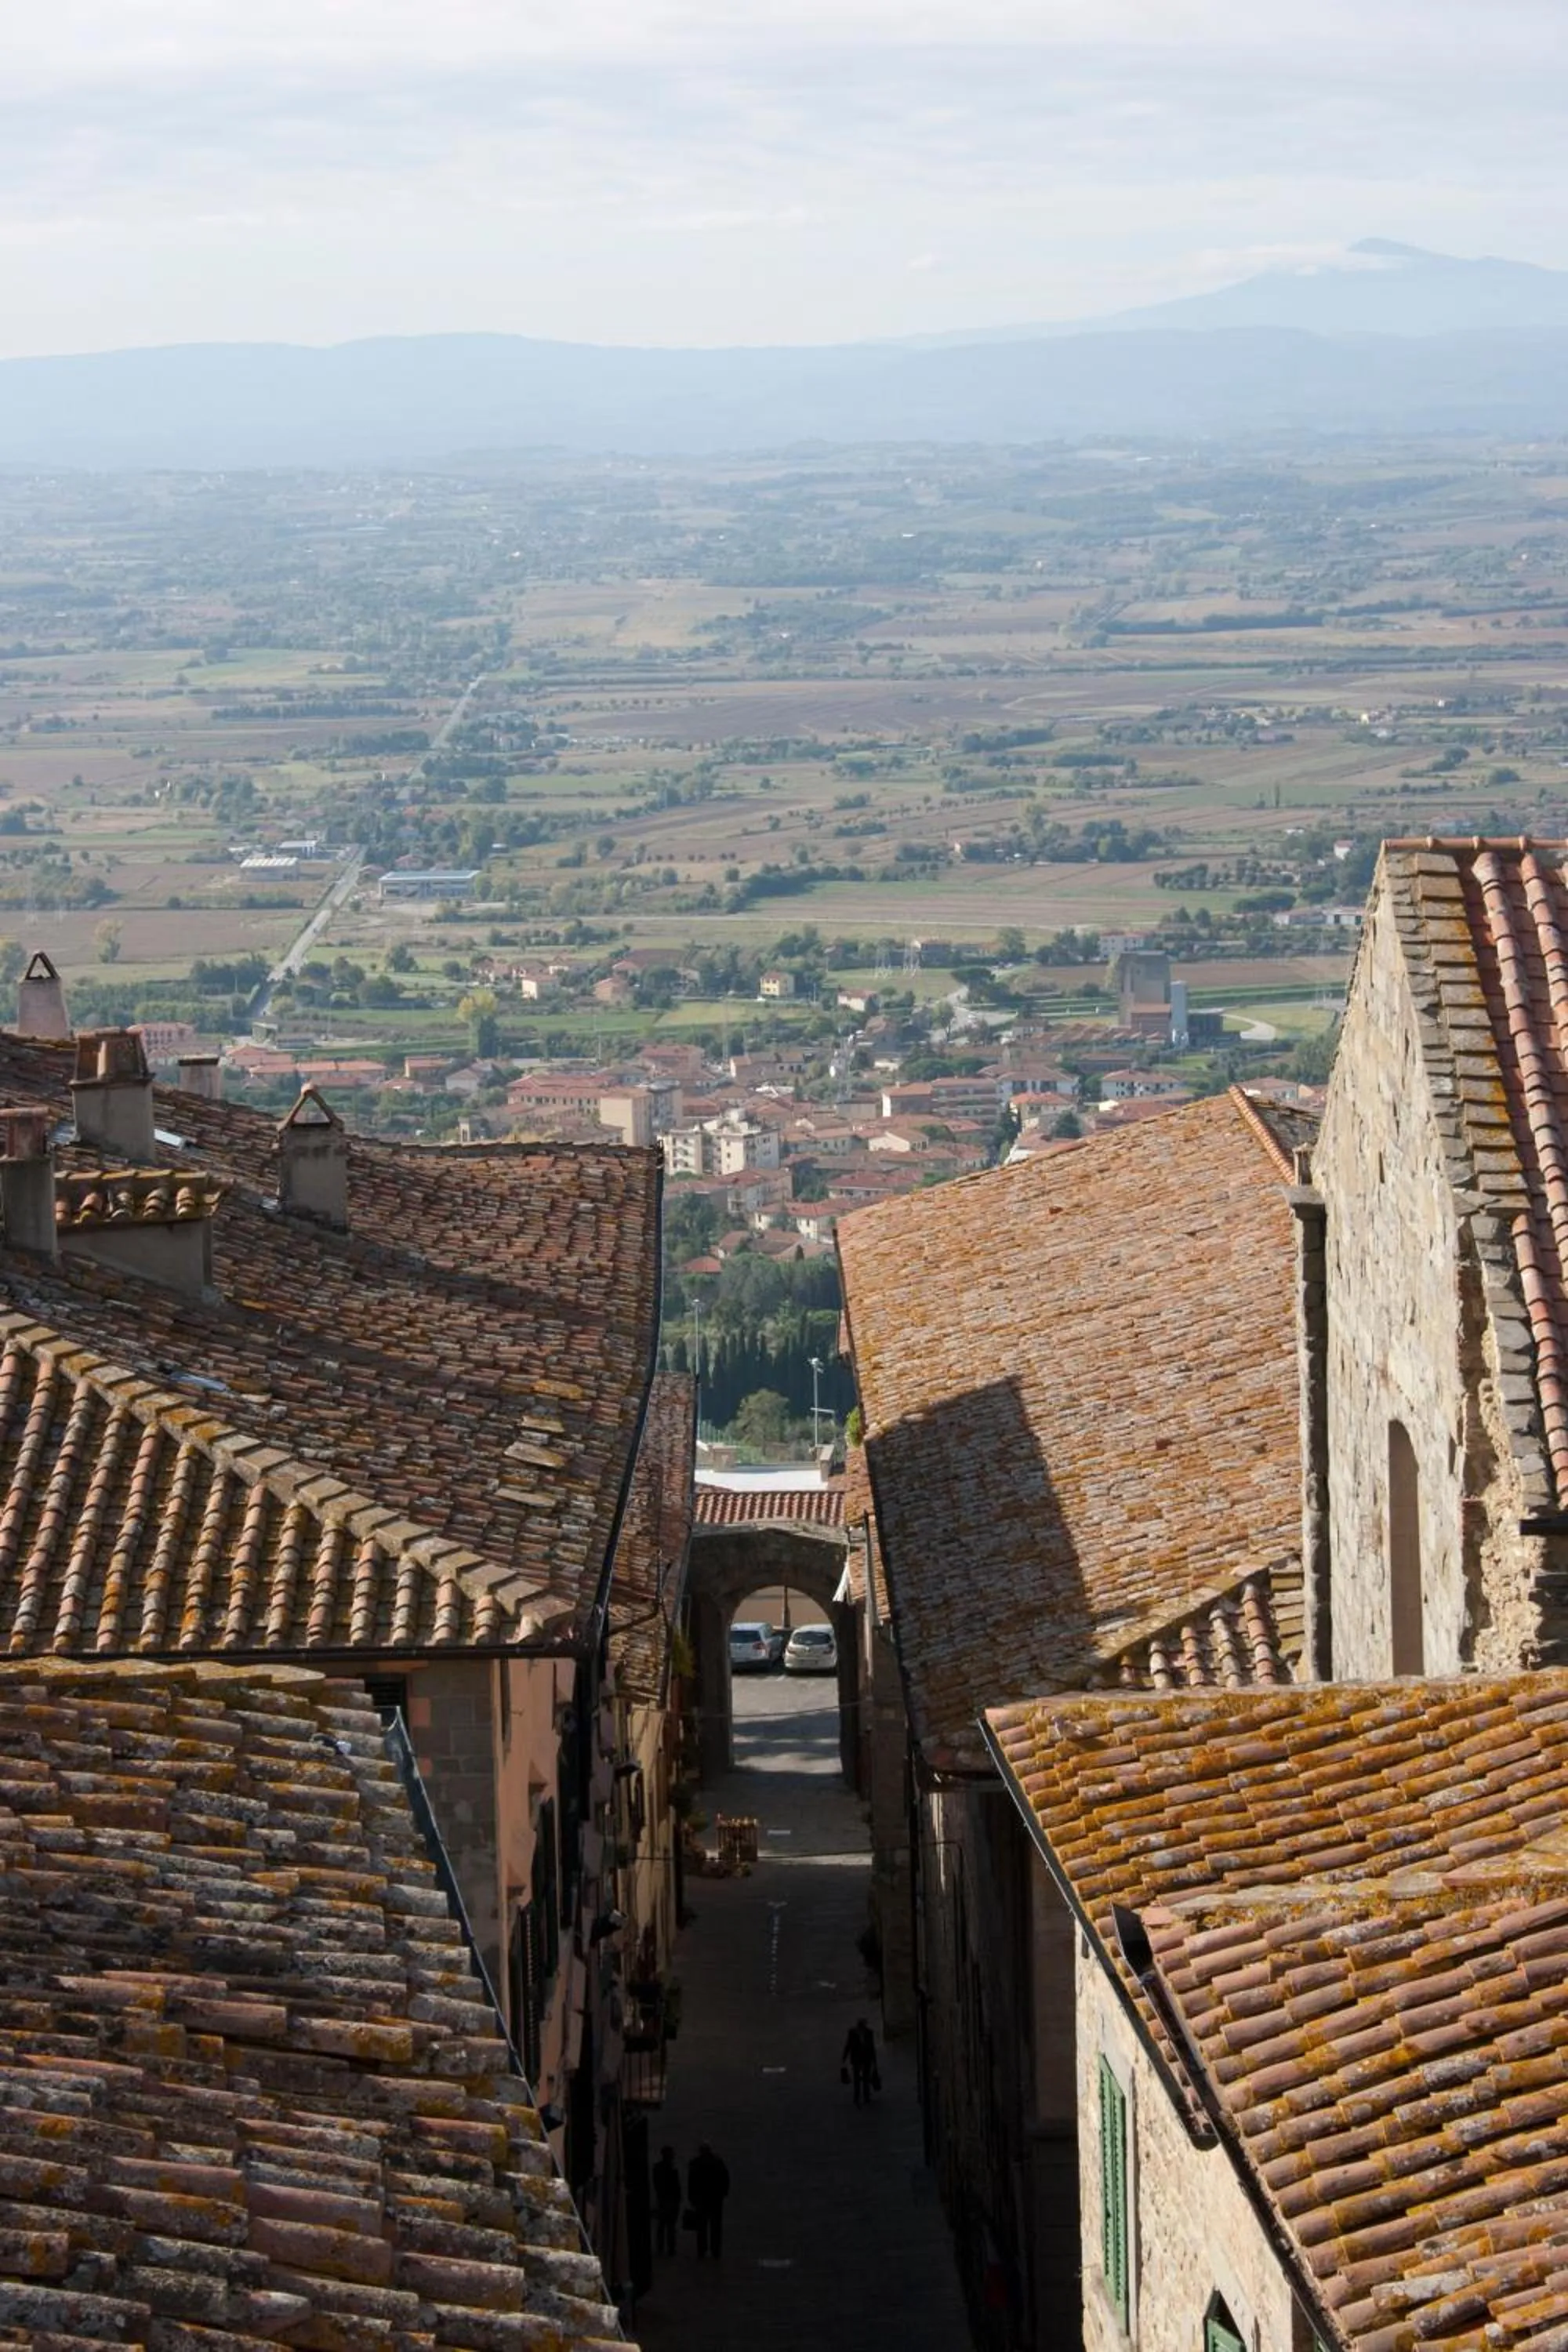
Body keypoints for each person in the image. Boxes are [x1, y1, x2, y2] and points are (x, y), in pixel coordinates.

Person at [688, 2141, 730, 2259]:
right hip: (715, 2199)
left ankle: (702, 2250)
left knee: (702, 2227)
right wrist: (723, 2193)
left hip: (701, 2199)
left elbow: (692, 2183)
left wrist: (691, 2198)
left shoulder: (695, 2163)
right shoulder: (718, 2162)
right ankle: (715, 2250)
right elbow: (725, 2178)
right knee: (715, 2226)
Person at [652, 2145, 681, 2257]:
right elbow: (676, 2186)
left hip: (663, 2199)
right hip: (670, 2200)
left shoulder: (657, 2168)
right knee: (670, 2226)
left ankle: (661, 2248)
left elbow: (656, 2185)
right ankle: (671, 2249)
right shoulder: (672, 2168)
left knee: (662, 2225)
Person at [842, 2016, 878, 2107]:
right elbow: (849, 2045)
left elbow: (872, 2047)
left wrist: (874, 2060)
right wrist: (844, 2056)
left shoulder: (869, 2033)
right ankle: (858, 2097)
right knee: (858, 2079)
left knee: (865, 2079)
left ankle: (865, 2097)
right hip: (857, 2059)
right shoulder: (853, 2033)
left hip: (866, 2059)